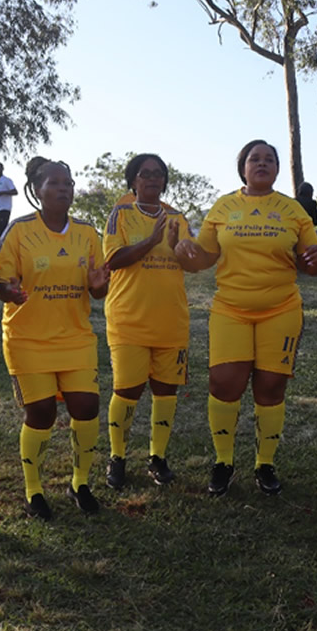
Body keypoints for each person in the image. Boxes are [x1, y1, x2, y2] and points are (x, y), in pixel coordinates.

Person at [174, 140, 317, 496]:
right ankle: (223, 462)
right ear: (242, 167)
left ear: (277, 169)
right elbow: (204, 259)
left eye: (269, 159)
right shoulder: (224, 207)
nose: (262, 163)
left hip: (282, 309)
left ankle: (265, 464)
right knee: (224, 384)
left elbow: (312, 263)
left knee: (271, 387)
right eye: (254, 159)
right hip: (231, 310)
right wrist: (182, 251)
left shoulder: (292, 210)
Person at [0, 157, 109, 519]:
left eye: (69, 183)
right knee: (41, 413)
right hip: (28, 338)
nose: (64, 189)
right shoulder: (18, 231)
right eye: (55, 183)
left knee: (86, 407)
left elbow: (98, 288)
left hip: (75, 338)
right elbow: (2, 284)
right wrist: (9, 292)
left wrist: (98, 286)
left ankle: (80, 482)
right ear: (37, 190)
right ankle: (34, 490)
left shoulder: (87, 234)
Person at [103, 154, 194, 490]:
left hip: (171, 320)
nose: (153, 180)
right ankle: (118, 457)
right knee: (127, 389)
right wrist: (151, 242)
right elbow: (113, 260)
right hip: (130, 320)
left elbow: (190, 259)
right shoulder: (121, 214)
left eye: (158, 174)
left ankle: (158, 458)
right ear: (134, 181)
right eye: (145, 174)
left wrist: (180, 247)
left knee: (165, 391)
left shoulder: (178, 217)